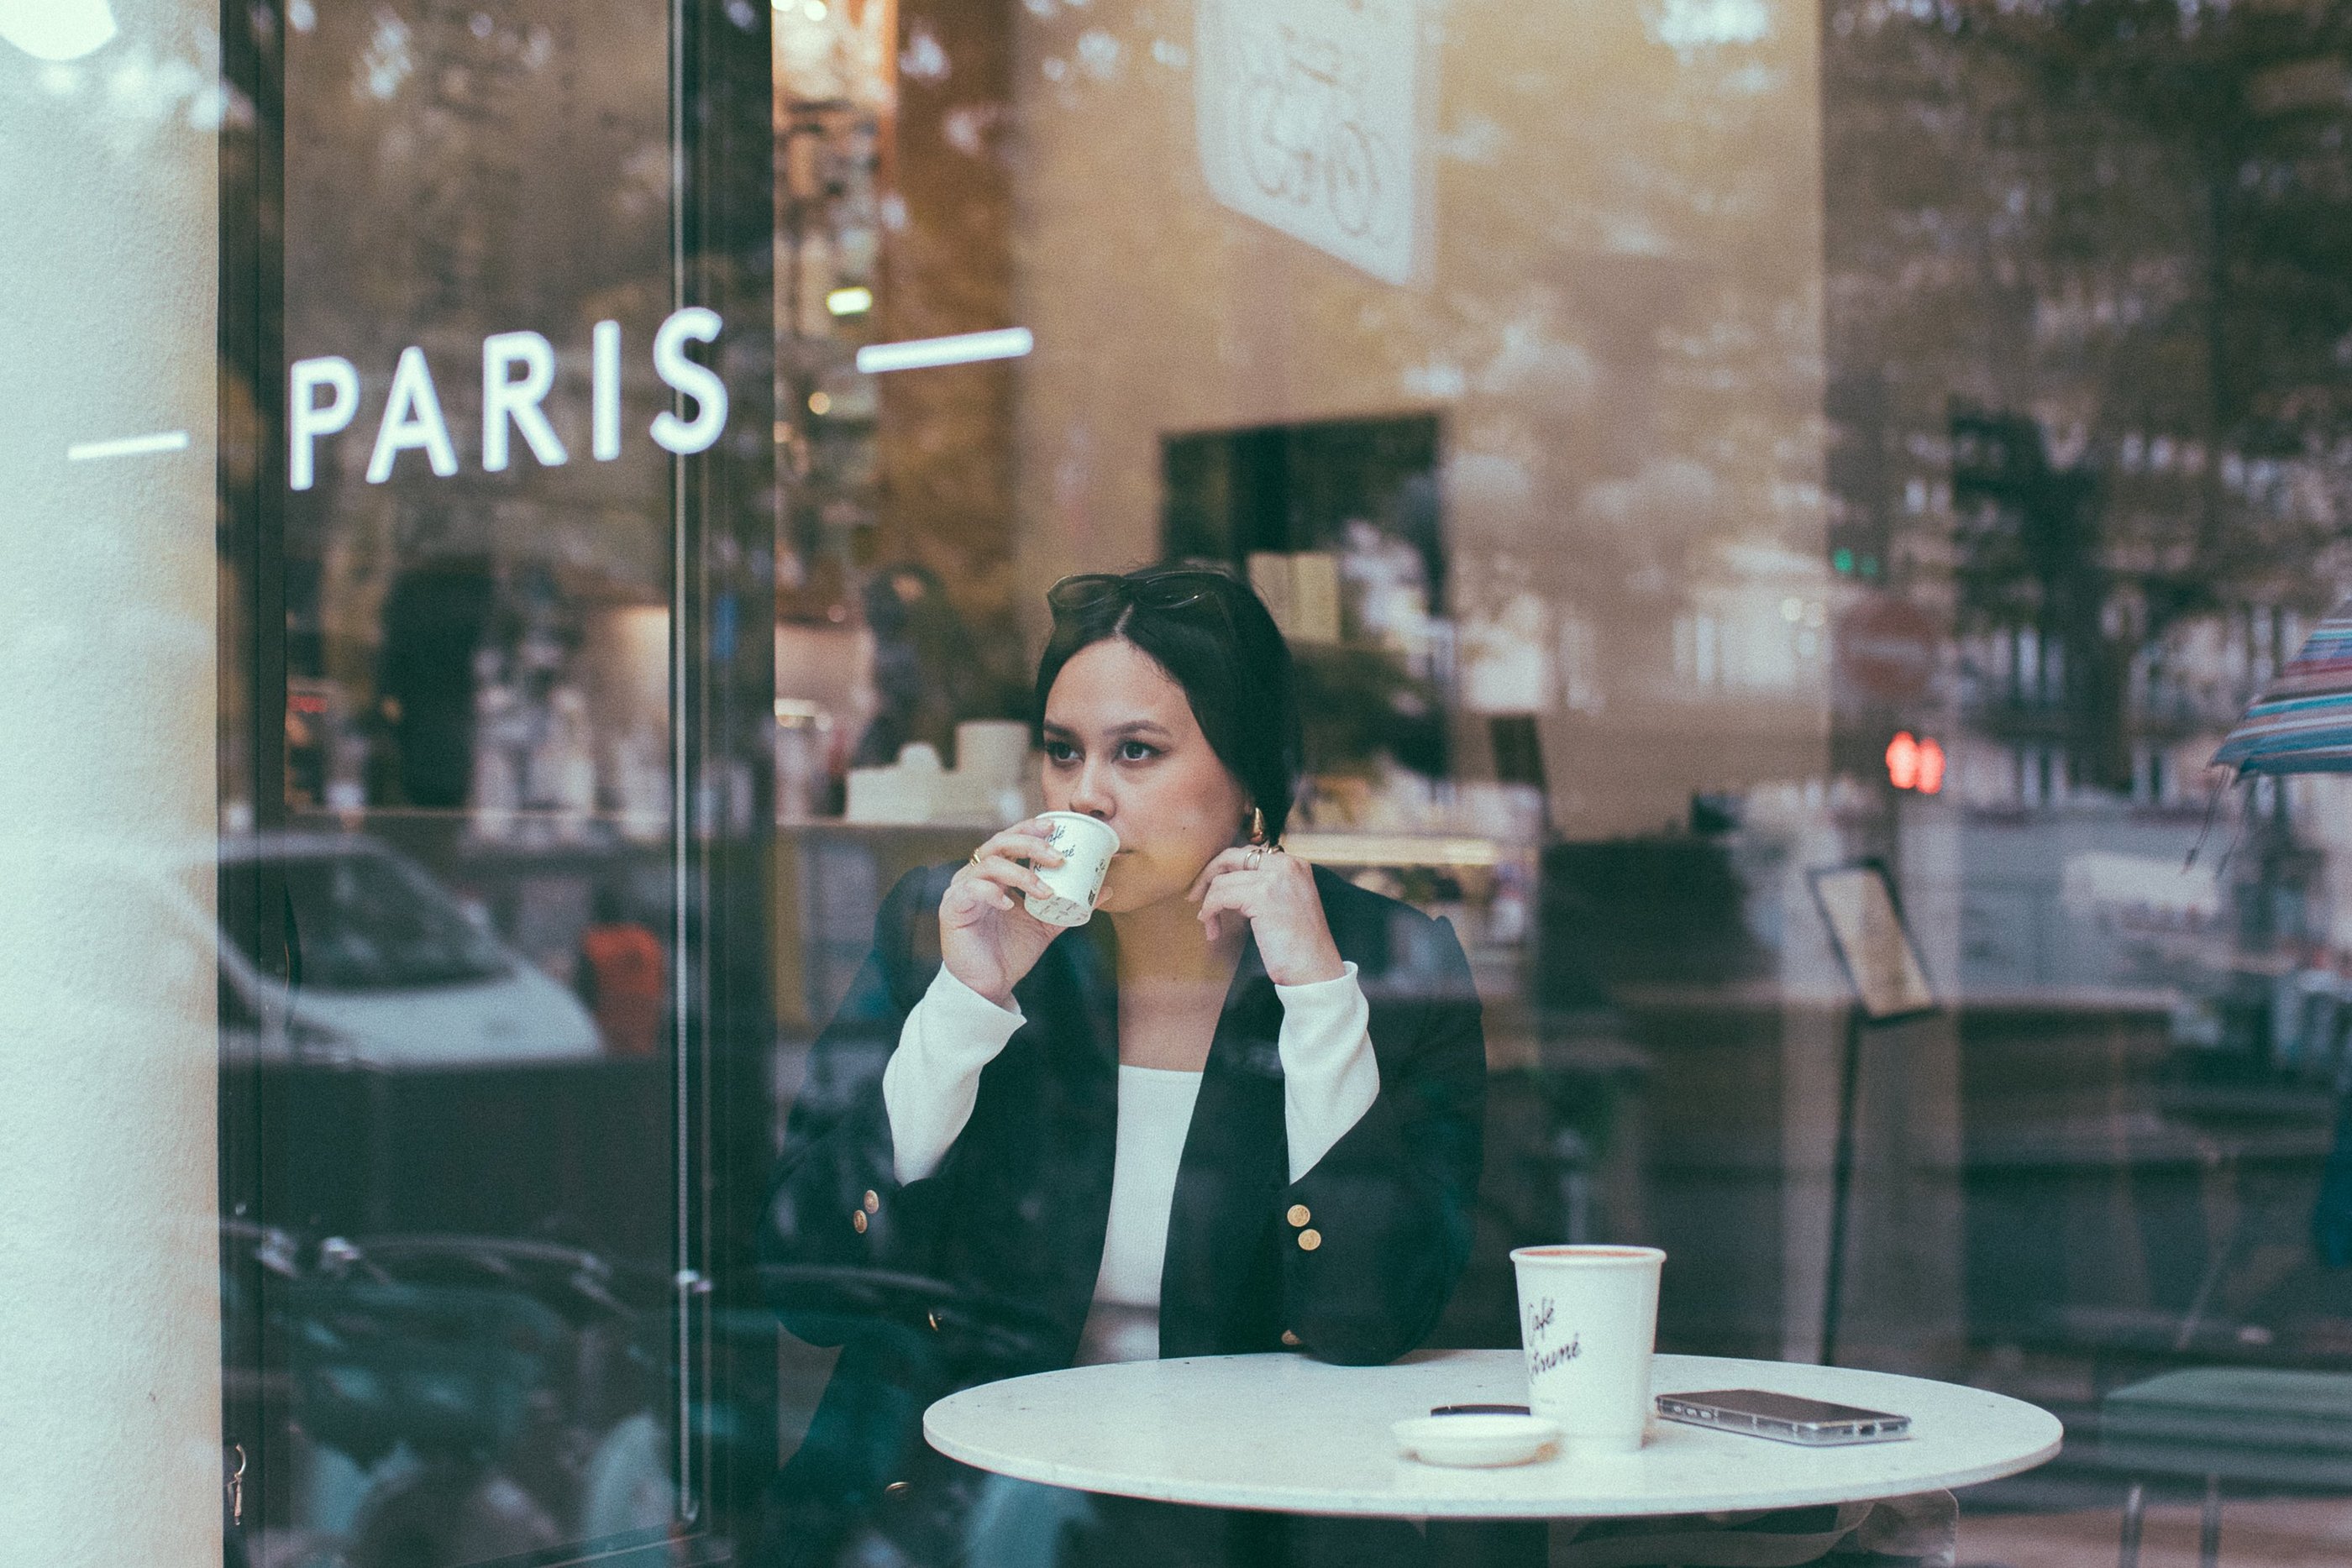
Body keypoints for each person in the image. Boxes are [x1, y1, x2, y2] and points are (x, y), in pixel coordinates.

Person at [757, 565, 1488, 1567]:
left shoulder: (1385, 959)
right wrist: (966, 1009)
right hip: (960, 1496)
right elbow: (808, 1288)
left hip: (1248, 1508)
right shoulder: (957, 928)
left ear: (1250, 780)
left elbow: (1369, 1318)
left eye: (1136, 752)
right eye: (1063, 752)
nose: (1083, 794)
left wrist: (1318, 996)